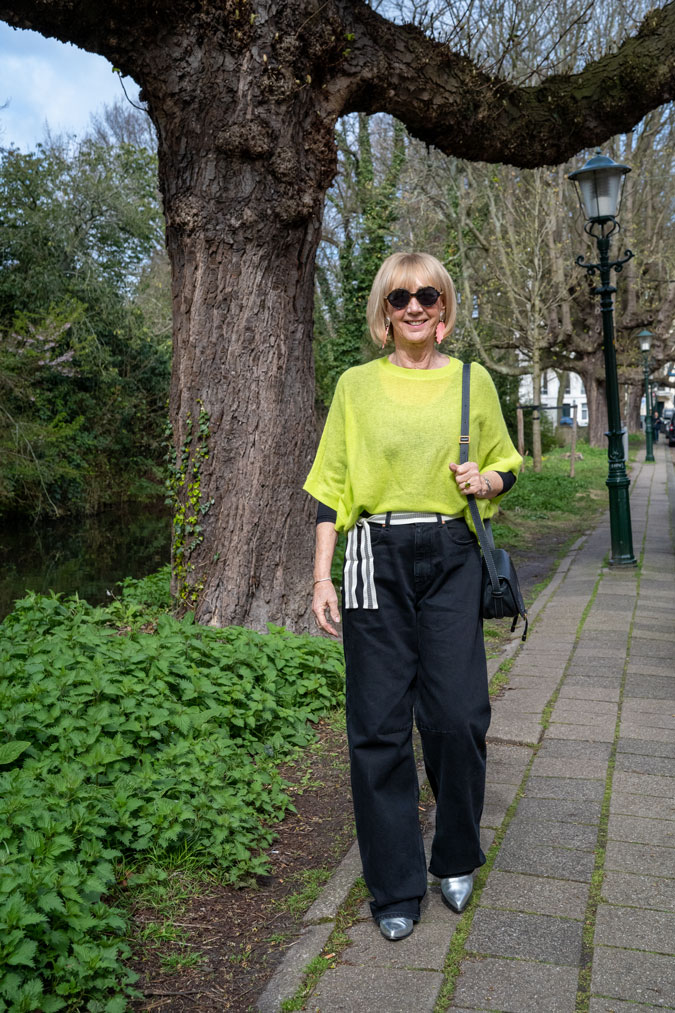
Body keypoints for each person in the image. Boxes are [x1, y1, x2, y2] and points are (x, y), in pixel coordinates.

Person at [303, 252, 521, 942]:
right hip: (373, 555)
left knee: (457, 716)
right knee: (377, 725)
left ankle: (454, 851)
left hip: (452, 553)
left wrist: (483, 482)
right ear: (384, 311)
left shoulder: (471, 380)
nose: (415, 306)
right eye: (401, 297)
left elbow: (505, 464)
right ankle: (394, 885)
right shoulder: (355, 387)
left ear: (445, 306)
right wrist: (320, 576)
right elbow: (329, 488)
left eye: (427, 294)